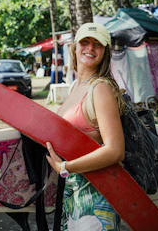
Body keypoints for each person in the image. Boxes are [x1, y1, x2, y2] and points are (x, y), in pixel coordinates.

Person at [46, 23, 125, 230]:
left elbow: (115, 150)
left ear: (105, 52)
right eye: (85, 42)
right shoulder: (76, 86)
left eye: (97, 44)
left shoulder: (100, 89)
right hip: (74, 192)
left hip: (96, 195)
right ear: (74, 47)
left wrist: (65, 167)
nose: (90, 48)